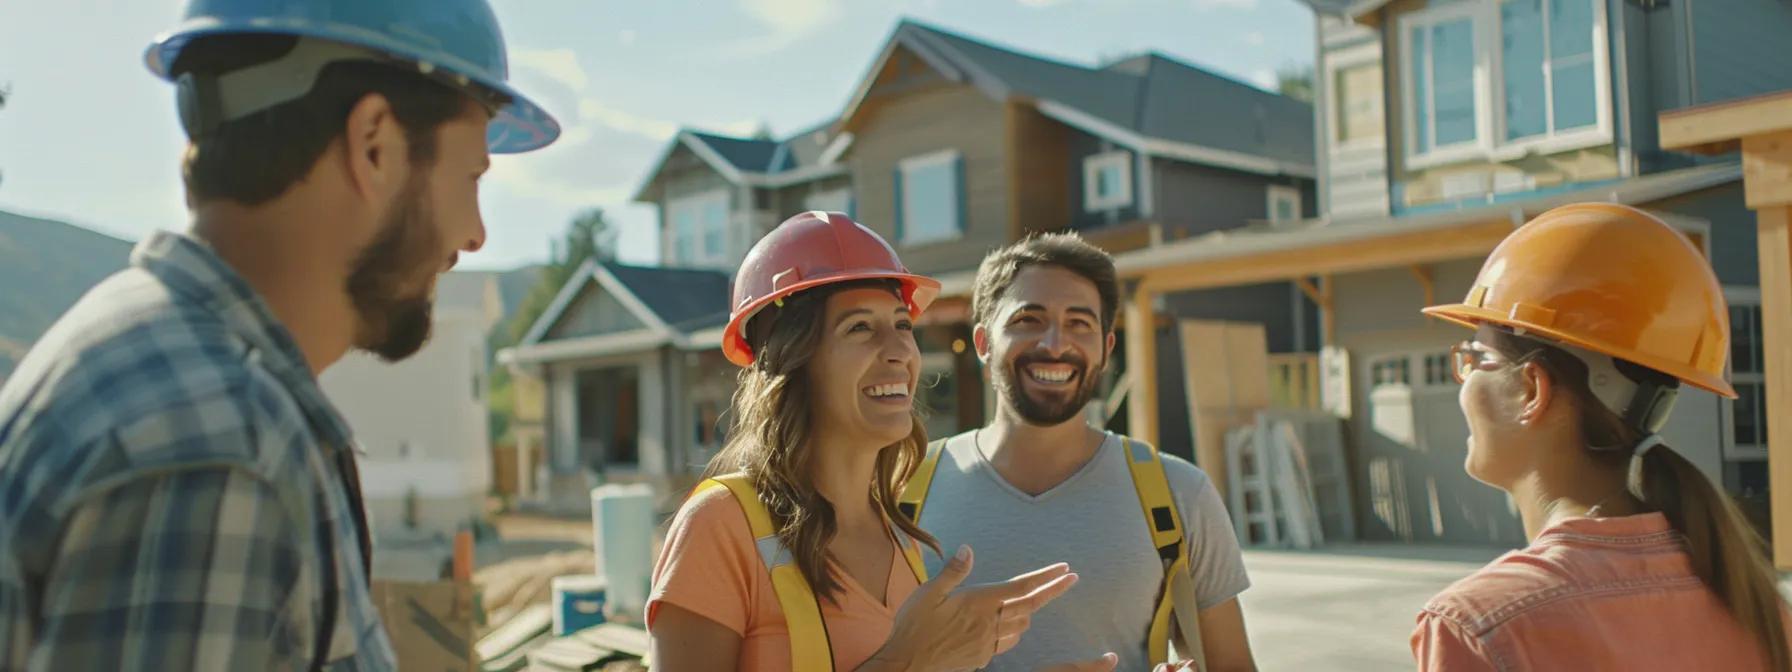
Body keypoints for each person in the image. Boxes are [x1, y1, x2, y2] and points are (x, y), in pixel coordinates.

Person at [0, 0, 558, 668]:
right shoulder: (216, 446)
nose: (475, 233)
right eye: (471, 177)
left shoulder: (162, 366)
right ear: (374, 144)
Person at [647, 212, 1114, 672]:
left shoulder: (899, 541)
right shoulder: (721, 527)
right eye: (860, 328)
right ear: (793, 361)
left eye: (903, 326)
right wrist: (903, 660)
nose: (898, 352)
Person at [1412, 203, 1790, 670]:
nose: (1464, 382)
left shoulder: (1481, 629)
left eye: (1473, 359)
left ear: (1531, 389)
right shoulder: (1760, 610)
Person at [899, 232, 1258, 671]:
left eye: (1079, 323)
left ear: (1106, 350)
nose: (1055, 344)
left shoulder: (1180, 495)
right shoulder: (903, 492)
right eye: (1028, 319)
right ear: (983, 343)